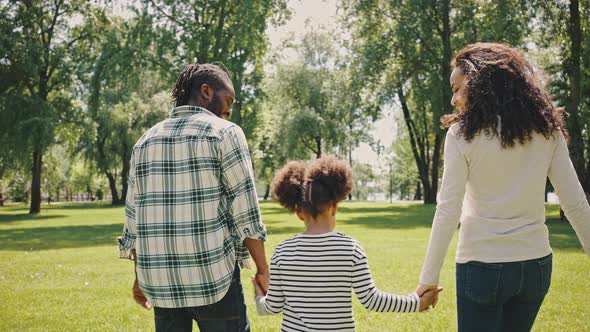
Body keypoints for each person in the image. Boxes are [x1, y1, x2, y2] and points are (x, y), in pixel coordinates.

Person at [417, 43, 590, 332]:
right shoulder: (548, 130)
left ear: (479, 84)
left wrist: (428, 279)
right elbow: (575, 204)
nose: (453, 98)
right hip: (535, 269)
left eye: (458, 88)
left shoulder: (461, 135)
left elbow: (449, 210)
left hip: (482, 268)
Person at [117, 63, 268, 332]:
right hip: (214, 278)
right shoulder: (226, 132)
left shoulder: (145, 141)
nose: (230, 109)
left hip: (162, 284)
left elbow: (135, 219)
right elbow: (246, 212)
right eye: (229, 99)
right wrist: (262, 268)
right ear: (207, 92)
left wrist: (140, 277)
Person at [253, 155, 442, 331]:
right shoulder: (350, 249)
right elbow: (372, 300)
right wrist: (416, 302)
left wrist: (259, 294)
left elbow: (272, 307)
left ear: (299, 213)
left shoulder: (282, 252)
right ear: (334, 207)